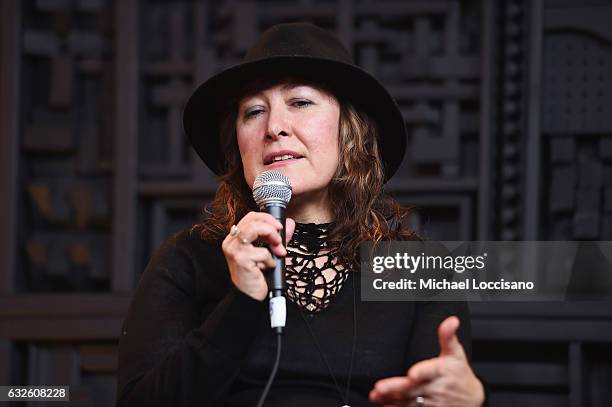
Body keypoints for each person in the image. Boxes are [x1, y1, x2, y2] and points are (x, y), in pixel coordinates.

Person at [116, 22, 485, 407]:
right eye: (254, 111)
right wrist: (241, 301)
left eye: (301, 103)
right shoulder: (188, 259)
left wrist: (467, 402)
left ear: (349, 131)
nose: (274, 127)